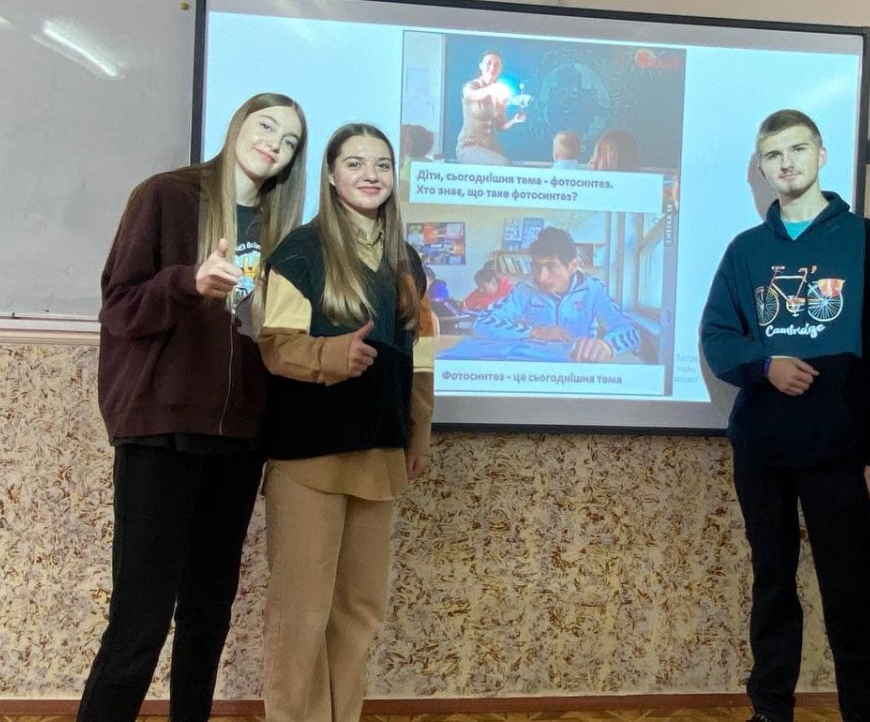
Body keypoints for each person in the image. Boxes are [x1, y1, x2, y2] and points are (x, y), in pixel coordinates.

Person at [77, 93, 308, 722]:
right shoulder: (166, 196)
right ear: (237, 125)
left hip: (240, 439)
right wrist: (189, 282)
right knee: (140, 618)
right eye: (267, 126)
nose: (275, 144)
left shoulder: (283, 231)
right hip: (162, 431)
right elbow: (119, 307)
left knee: (208, 612)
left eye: (290, 141)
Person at [700, 109, 870, 722]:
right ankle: (771, 708)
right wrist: (765, 364)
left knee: (850, 588)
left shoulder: (869, 240)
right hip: (762, 451)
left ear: (821, 154)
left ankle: (863, 710)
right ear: (762, 168)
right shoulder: (746, 250)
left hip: (842, 453)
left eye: (796, 149)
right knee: (772, 582)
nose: (786, 163)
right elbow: (717, 337)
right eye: (773, 155)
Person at [257, 122, 435, 722]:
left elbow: (420, 359)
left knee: (359, 611)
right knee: (302, 613)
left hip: (379, 454)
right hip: (309, 457)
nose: (370, 174)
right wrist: (335, 355)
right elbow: (276, 345)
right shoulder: (299, 252)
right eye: (355, 163)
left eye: (382, 164)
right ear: (331, 176)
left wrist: (418, 433)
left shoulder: (408, 260)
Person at [472, 226, 640, 362]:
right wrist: (535, 332)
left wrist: (608, 346)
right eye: (537, 266)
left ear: (573, 266)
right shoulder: (524, 290)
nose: (540, 277)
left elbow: (631, 332)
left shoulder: (593, 289)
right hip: (534, 370)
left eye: (551, 266)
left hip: (578, 370)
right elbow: (482, 322)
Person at [455, 50, 526, 165]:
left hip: (490, 148)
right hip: (469, 146)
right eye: (489, 63)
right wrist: (491, 89)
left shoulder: (499, 93)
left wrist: (514, 120)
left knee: (510, 166)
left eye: (496, 64)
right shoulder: (472, 86)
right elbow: (470, 95)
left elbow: (500, 126)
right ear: (481, 66)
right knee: (504, 165)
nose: (492, 67)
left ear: (500, 68)